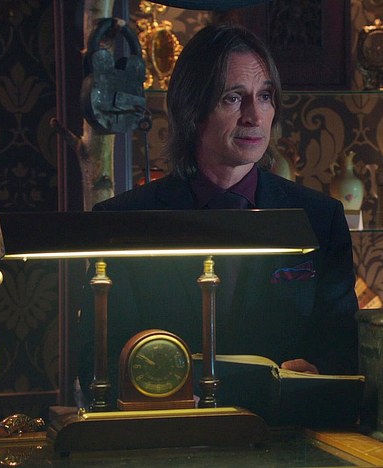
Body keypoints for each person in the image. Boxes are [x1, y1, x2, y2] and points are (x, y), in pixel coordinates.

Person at [77, 24, 359, 407]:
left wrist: (316, 371)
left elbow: (345, 345)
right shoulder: (124, 220)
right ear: (191, 108)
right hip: (172, 430)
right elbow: (97, 364)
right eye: (233, 98)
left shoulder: (319, 217)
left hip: (284, 427)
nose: (254, 116)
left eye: (265, 96)